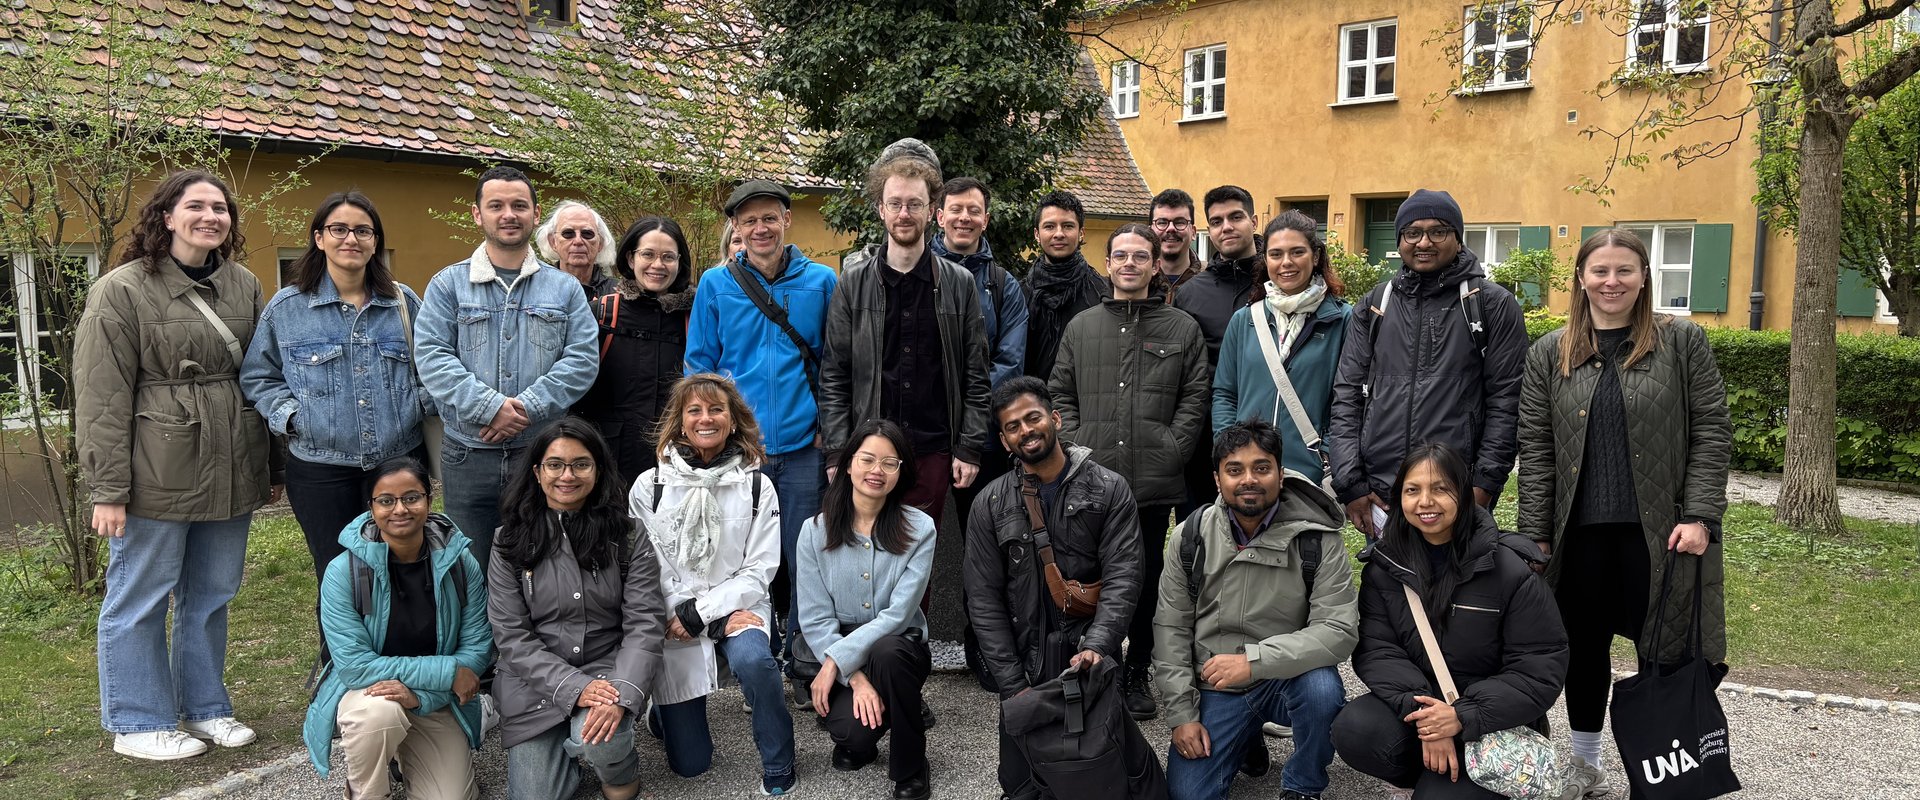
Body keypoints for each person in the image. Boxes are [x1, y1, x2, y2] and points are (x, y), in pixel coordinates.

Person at [1517, 228, 1732, 790]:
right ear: (1581, 278)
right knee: (1581, 651)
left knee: (1665, 650)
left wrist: (1702, 516)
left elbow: (1711, 432)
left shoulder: (1682, 343)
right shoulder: (1549, 353)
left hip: (1661, 533)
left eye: (1624, 271)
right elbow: (1536, 451)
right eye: (1600, 271)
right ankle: (1586, 763)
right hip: (1578, 538)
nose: (1611, 282)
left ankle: (1665, 770)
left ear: (1643, 279)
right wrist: (1534, 537)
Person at [76, 169, 279, 760]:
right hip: (154, 468)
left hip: (231, 463)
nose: (211, 216)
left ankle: (204, 708)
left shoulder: (242, 284)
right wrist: (107, 488)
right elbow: (101, 396)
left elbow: (261, 375)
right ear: (166, 216)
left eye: (221, 208)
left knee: (211, 593)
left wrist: (268, 469)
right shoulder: (122, 289)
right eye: (196, 206)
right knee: (140, 595)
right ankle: (138, 720)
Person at [1332, 443, 1589, 800]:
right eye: (1413, 490)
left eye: (1440, 489)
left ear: (1463, 495)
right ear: (1398, 498)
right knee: (1356, 728)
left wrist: (1461, 717)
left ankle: (1460, 783)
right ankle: (1429, 774)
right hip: (1424, 706)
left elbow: (1538, 666)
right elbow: (1378, 650)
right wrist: (1427, 718)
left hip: (1490, 720)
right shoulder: (1385, 568)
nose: (1426, 502)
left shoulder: (1509, 570)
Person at [1048, 222, 1209, 719]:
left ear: (1156, 264)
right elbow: (1061, 393)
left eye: (1142, 256)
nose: (1131, 264)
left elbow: (1195, 397)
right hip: (1091, 480)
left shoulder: (1182, 328)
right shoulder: (1081, 327)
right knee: (1090, 575)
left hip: (1152, 483)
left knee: (1142, 581)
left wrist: (1171, 449)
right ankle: (1100, 666)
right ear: (1108, 261)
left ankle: (1138, 669)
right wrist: (1078, 450)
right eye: (1122, 255)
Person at [1153, 421, 1356, 800]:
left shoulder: (1317, 538)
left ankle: (1303, 785)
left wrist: (1254, 661)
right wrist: (1182, 716)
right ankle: (1246, 739)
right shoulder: (1190, 536)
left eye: (1262, 468)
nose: (1249, 479)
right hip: (1216, 684)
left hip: (1285, 676)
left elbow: (1338, 630)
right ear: (1217, 479)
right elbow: (1170, 628)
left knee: (1322, 690)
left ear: (1281, 474)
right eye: (1235, 470)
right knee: (1188, 795)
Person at [965, 376, 1144, 800]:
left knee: (1100, 771)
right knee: (1021, 784)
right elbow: (983, 599)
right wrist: (1012, 684)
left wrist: (1098, 647)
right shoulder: (989, 503)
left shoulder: (1109, 488)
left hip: (1085, 650)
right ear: (1005, 440)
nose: (1026, 430)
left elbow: (1124, 577)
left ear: (1056, 419)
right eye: (1013, 426)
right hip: (1024, 660)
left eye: (1033, 418)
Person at [685, 179, 838, 673]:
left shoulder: (821, 281)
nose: (759, 228)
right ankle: (754, 654)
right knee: (741, 557)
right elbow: (700, 366)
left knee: (804, 558)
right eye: (748, 220)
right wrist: (715, 434)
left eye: (768, 217)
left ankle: (803, 659)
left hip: (803, 447)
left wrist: (829, 427)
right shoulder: (715, 284)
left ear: (786, 220)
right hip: (739, 449)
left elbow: (838, 362)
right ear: (736, 227)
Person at [242, 191, 430, 592]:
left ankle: (400, 651)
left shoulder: (403, 303)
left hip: (396, 461)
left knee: (403, 565)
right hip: (320, 469)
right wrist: (293, 417)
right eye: (339, 229)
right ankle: (338, 655)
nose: (351, 239)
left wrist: (415, 404)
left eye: (363, 230)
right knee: (336, 573)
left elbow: (433, 368)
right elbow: (259, 376)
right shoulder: (287, 309)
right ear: (319, 238)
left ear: (375, 241)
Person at [415, 166, 599, 572]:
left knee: (543, 566)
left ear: (536, 214)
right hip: (467, 453)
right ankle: (480, 640)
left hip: (540, 453)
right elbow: (432, 356)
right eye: (496, 205)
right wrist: (489, 407)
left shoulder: (564, 289)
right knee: (470, 569)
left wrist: (522, 409)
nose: (508, 215)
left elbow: (582, 360)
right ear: (478, 215)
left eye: (519, 205)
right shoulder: (448, 285)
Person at [1329, 189, 1526, 540]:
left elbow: (1507, 402)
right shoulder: (1375, 305)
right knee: (1388, 591)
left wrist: (1483, 485)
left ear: (1457, 238)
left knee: (1457, 590)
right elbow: (1347, 396)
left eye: (1438, 231)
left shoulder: (1492, 304)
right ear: (1400, 239)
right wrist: (1351, 484)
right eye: (1412, 232)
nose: (1424, 242)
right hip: (1383, 494)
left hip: (1455, 491)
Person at [634, 374, 798, 796]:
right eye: (695, 410)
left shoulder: (758, 485)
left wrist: (703, 614)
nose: (706, 418)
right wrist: (685, 612)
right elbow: (645, 567)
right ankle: (662, 715)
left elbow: (760, 569)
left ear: (733, 418)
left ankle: (779, 762)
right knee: (690, 765)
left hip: (737, 608)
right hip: (673, 618)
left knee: (755, 661)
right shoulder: (650, 486)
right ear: (680, 420)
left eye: (716, 409)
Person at [489, 418, 663, 800]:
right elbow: (512, 637)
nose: (567, 475)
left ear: (598, 470)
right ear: (537, 472)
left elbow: (645, 624)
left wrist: (620, 690)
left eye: (581, 464)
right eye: (555, 464)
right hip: (533, 683)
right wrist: (574, 687)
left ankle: (616, 770)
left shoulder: (628, 536)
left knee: (603, 741)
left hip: (607, 670)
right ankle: (569, 752)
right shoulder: (509, 541)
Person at [823, 147, 991, 538]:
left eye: (914, 204)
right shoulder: (853, 282)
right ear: (880, 209)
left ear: (932, 211)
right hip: (869, 450)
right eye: (895, 203)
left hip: (932, 447)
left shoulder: (959, 284)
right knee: (864, 553)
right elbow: (834, 372)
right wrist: (837, 450)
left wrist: (968, 447)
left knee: (920, 562)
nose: (903, 213)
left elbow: (975, 374)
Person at [302, 457, 491, 800]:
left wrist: (420, 695)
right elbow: (356, 666)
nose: (399, 509)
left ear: (429, 501)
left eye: (411, 497)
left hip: (431, 699)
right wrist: (449, 673)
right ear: (371, 507)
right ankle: (367, 791)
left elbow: (477, 650)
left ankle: (407, 756)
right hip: (369, 695)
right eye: (386, 500)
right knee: (380, 715)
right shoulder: (343, 572)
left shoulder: (461, 563)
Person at [796, 419, 938, 800]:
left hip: (899, 647)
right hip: (839, 649)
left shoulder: (920, 528)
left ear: (900, 471)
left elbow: (898, 614)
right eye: (868, 459)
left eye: (889, 463)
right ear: (848, 464)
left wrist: (831, 665)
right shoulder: (814, 531)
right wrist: (853, 677)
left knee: (888, 653)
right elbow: (814, 617)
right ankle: (873, 727)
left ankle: (911, 764)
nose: (877, 471)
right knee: (852, 735)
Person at [934, 174, 1032, 689]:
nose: (964, 218)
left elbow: (1009, 363)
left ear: (985, 219)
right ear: (939, 214)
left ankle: (985, 643)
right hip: (923, 434)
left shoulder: (1004, 284)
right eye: (956, 209)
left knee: (988, 544)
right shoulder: (910, 271)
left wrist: (963, 404)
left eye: (974, 210)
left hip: (985, 436)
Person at [1211, 211, 1352, 486]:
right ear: (1265, 260)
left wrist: (1326, 454)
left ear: (1316, 256)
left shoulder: (1342, 320)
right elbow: (1225, 393)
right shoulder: (1245, 320)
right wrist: (1229, 451)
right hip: (1250, 474)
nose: (1286, 263)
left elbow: (1349, 401)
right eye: (1276, 254)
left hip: (1308, 474)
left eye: (1297, 252)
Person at [574, 216, 695, 490]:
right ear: (630, 258)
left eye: (668, 257)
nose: (657, 265)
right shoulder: (602, 313)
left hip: (676, 462)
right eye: (648, 254)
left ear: (679, 262)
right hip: (608, 461)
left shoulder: (694, 317)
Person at [1172, 185, 1265, 366]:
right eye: (1216, 222)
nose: (1227, 227)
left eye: (1236, 217)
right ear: (1209, 230)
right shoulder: (1190, 294)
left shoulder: (1279, 280)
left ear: (1254, 222)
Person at [1021, 190, 1106, 381]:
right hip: (1034, 404)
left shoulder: (1103, 293)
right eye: (1049, 226)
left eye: (1068, 226)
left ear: (1081, 232)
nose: (1058, 234)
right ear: (1037, 234)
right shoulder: (1019, 294)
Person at [534, 199, 618, 296]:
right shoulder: (535, 290)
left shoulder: (617, 294)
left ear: (600, 243)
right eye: (568, 233)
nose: (578, 241)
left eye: (587, 234)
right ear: (553, 242)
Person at [1150, 188, 1205, 300]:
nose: (1171, 228)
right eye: (1162, 222)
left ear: (1193, 232)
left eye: (1180, 222)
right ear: (1149, 232)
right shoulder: (1136, 278)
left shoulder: (1211, 280)